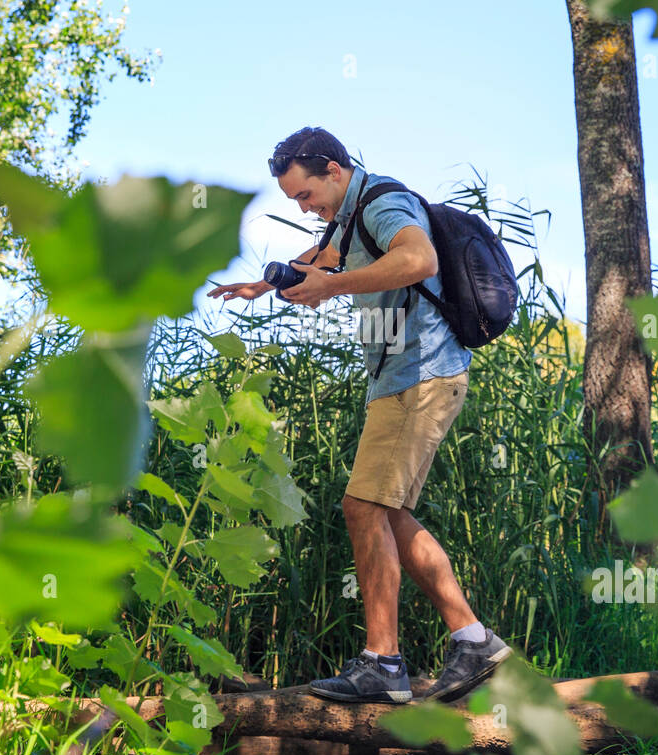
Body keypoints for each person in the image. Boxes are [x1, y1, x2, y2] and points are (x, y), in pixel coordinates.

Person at [207, 126, 510, 704]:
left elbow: (417, 259)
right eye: (295, 200)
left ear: (333, 169)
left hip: (421, 374)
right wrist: (262, 284)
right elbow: (313, 261)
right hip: (405, 378)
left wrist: (333, 287)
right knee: (387, 513)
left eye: (305, 195)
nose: (304, 207)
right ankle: (472, 640)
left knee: (362, 507)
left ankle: (383, 663)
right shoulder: (347, 221)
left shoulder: (384, 203)